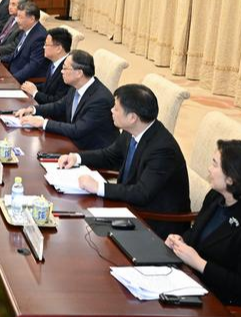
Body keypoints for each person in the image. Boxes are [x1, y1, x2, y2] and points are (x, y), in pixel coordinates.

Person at [57, 84, 190, 238]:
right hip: (128, 207)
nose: (111, 111)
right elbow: (109, 155)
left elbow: (141, 193)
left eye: (116, 108)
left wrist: (99, 187)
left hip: (155, 223)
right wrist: (77, 157)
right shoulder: (133, 131)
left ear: (132, 117)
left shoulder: (162, 150)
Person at [165, 140, 241, 310]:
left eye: (215, 164)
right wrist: (180, 241)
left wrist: (199, 263)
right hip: (194, 284)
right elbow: (198, 234)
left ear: (232, 178)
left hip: (227, 307)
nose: (209, 169)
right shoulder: (216, 197)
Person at [16, 50, 118, 150]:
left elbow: (77, 129)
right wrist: (33, 109)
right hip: (73, 143)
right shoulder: (76, 86)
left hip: (92, 153)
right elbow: (59, 106)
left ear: (79, 73)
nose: (61, 71)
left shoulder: (100, 100)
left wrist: (42, 123)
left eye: (65, 68)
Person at [0, 1, 48, 82]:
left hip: (22, 79)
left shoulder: (40, 37)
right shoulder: (25, 29)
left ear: (32, 19)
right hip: (11, 71)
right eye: (17, 16)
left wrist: (12, 79)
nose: (17, 20)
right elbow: (15, 54)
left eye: (20, 17)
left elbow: (33, 66)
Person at [20, 27, 72, 104]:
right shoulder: (54, 62)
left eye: (46, 45)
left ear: (58, 49)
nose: (43, 47)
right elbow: (48, 86)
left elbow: (57, 101)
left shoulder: (68, 69)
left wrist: (35, 93)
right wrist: (31, 87)